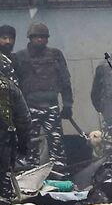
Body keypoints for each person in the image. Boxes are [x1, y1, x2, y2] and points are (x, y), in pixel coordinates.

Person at [15, 22, 73, 168]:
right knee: (29, 145)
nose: (40, 40)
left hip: (51, 105)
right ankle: (30, 178)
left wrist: (67, 104)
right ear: (30, 38)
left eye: (43, 37)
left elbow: (65, 80)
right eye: (36, 37)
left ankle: (60, 177)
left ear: (47, 39)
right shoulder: (20, 57)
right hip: (29, 107)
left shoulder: (55, 55)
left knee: (57, 145)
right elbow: (14, 84)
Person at [0, 53, 31, 205]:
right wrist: (23, 146)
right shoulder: (10, 88)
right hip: (3, 152)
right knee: (1, 200)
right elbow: (24, 119)